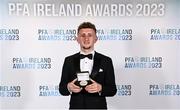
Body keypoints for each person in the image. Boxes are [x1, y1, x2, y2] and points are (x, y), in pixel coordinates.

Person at [59, 22, 117, 109]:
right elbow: (62, 89)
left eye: (90, 35)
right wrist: (68, 87)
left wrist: (100, 88)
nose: (86, 38)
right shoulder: (68, 60)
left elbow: (112, 90)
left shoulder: (106, 61)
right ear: (77, 39)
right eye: (83, 35)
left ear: (95, 39)